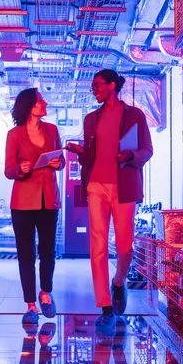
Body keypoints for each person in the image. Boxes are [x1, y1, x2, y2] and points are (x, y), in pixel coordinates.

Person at [66, 69, 153, 335]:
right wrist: (82, 152)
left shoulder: (135, 115)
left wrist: (129, 154)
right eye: (92, 86)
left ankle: (118, 282)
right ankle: (105, 307)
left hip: (124, 185)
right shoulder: (91, 119)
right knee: (98, 245)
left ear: (112, 85)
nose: (94, 90)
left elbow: (147, 150)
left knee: (125, 246)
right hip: (96, 186)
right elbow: (90, 157)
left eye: (97, 85)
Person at [5, 88, 65, 325]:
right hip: (22, 201)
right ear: (29, 106)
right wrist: (21, 169)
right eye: (40, 100)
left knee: (48, 251)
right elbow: (9, 170)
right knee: (26, 254)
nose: (44, 103)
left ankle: (45, 294)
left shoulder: (52, 130)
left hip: (49, 199)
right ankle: (30, 303)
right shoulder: (14, 134)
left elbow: (61, 161)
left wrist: (57, 163)